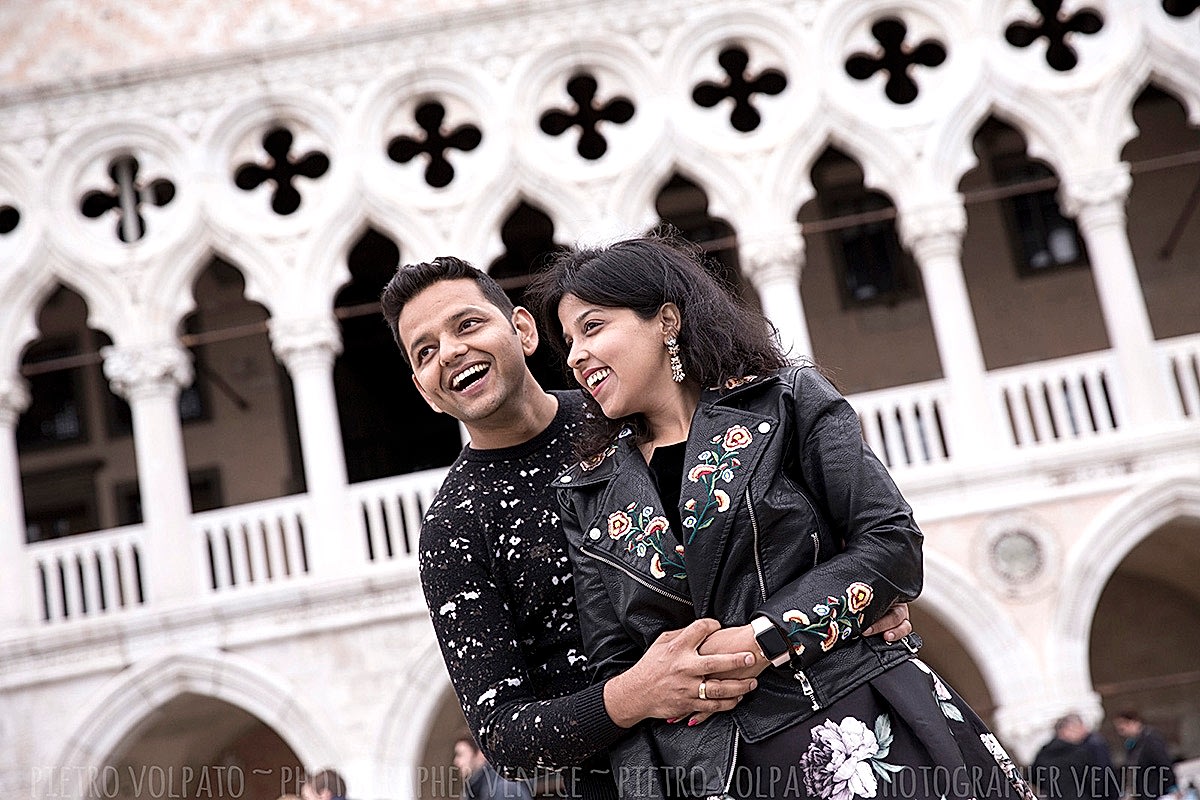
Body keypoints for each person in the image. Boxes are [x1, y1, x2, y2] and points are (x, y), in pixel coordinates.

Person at [379, 256, 913, 800]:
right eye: (425, 352)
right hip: (644, 782)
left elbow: (852, 537)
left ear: (522, 329)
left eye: (467, 324)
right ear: (422, 388)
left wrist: (845, 602)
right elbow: (506, 739)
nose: (450, 352)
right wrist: (636, 693)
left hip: (816, 721)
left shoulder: (627, 407)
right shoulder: (453, 529)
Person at [528, 235, 1037, 800]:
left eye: (593, 328)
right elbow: (613, 664)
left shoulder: (787, 401)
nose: (574, 356)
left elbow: (891, 541)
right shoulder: (587, 491)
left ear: (666, 320)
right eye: (569, 340)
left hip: (860, 725)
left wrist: (765, 637)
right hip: (714, 775)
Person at [1031, 714, 1102, 800]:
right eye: (1077, 728)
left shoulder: (1043, 753)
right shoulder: (1080, 753)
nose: (1084, 731)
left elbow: (1033, 780)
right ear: (1065, 730)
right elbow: (1096, 781)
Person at [1114, 710, 1178, 800]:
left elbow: (1164, 763)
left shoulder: (1150, 741)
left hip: (1155, 791)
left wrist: (1171, 787)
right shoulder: (1132, 745)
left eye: (1123, 728)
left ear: (1134, 722)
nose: (1122, 733)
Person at [455, 734, 535, 800]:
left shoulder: (504, 789)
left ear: (480, 754)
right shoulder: (473, 790)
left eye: (460, 754)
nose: (456, 761)